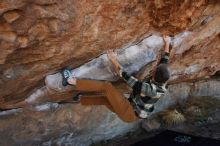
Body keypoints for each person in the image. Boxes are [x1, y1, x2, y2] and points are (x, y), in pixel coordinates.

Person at [61, 35, 171, 122]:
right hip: (130, 113)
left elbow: (126, 77)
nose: (153, 70)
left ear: (155, 76)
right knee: (105, 99)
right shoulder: (162, 80)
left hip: (129, 112)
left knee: (107, 87)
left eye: (154, 71)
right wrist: (167, 43)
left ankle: (71, 81)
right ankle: (80, 99)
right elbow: (164, 61)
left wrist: (113, 59)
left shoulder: (150, 90)